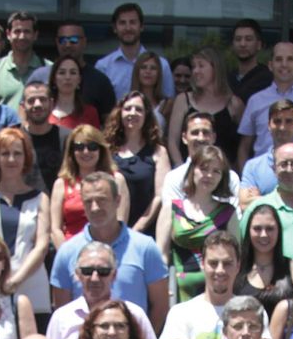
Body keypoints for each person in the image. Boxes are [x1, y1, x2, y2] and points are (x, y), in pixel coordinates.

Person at [49, 173, 169, 330]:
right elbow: (62, 311)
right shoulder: (67, 252)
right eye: (88, 201)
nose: (95, 207)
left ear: (117, 201)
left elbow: (160, 306)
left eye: (101, 200)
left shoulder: (144, 247)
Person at [0, 127, 50, 328]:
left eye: (17, 153)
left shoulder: (40, 198)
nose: (11, 159)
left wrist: (15, 281)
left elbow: (41, 246)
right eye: (5, 154)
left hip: (31, 285)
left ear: (26, 158)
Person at [46, 241, 160, 339]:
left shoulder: (134, 314)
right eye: (87, 271)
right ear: (78, 274)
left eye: (103, 272)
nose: (95, 278)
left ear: (114, 274)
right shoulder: (61, 318)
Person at [159, 229, 253, 339]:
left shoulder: (252, 312)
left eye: (227, 263)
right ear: (203, 264)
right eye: (213, 263)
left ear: (238, 266)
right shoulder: (180, 313)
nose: (220, 270)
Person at [158, 145, 235, 301]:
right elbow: (161, 254)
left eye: (216, 171)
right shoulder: (171, 209)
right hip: (179, 289)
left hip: (218, 287)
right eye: (204, 168)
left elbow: (236, 256)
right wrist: (163, 286)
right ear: (192, 170)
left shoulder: (228, 213)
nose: (209, 175)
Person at [46, 123, 128, 250]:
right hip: (72, 253)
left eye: (92, 146)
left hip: (110, 253)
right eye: (79, 147)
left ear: (101, 149)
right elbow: (55, 229)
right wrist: (69, 257)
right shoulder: (61, 184)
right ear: (72, 152)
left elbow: (121, 222)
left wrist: (106, 257)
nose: (86, 152)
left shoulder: (117, 180)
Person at [166, 46, 243, 165]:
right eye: (194, 67)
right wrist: (182, 170)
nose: (195, 71)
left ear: (216, 68)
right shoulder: (183, 100)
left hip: (222, 175)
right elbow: (172, 141)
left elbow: (243, 144)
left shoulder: (234, 104)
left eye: (201, 66)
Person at [237, 101, 293, 201]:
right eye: (277, 121)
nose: (282, 127)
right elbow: (244, 204)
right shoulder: (253, 166)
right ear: (268, 125)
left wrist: (260, 199)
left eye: (288, 121)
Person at [26, 20, 116, 119]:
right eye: (62, 40)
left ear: (84, 42)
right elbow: (23, 108)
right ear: (56, 42)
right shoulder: (39, 76)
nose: (68, 44)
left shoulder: (100, 80)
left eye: (74, 40)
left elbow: (109, 120)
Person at [107, 91, 171, 230]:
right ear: (120, 113)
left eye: (139, 109)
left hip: (145, 229)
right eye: (128, 108)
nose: (133, 113)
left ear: (146, 115)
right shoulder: (107, 150)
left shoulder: (159, 152)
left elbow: (160, 196)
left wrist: (138, 227)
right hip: (110, 229)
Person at [96, 3, 177, 103]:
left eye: (133, 22)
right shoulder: (103, 67)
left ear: (142, 26)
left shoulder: (161, 64)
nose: (128, 28)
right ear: (114, 28)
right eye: (122, 23)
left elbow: (169, 102)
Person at [163, 109, 243, 203]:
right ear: (184, 138)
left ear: (213, 137)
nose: (201, 138)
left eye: (205, 132)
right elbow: (172, 214)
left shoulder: (231, 178)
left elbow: (234, 213)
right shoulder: (174, 178)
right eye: (195, 133)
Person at [234, 202, 293, 318]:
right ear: (248, 231)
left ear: (279, 231)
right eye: (257, 228)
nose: (263, 234)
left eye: (270, 229)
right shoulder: (236, 268)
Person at [19, 81, 70, 192]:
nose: (37, 105)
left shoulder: (67, 138)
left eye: (42, 99)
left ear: (51, 104)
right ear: (23, 106)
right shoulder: (15, 139)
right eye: (31, 101)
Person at [0, 11, 45, 110]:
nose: (22, 37)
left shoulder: (49, 69)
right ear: (8, 34)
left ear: (35, 35)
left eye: (27, 32)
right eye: (17, 31)